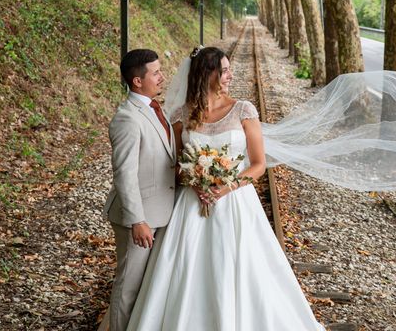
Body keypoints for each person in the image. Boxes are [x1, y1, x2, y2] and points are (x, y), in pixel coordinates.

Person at [126, 47, 326, 330]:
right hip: (191, 206)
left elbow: (258, 164)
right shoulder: (182, 115)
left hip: (235, 204)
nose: (230, 75)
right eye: (224, 70)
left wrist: (226, 187)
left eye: (230, 69)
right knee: (185, 272)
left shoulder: (243, 110)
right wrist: (194, 181)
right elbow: (178, 166)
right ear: (207, 73)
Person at [103, 49, 176, 331]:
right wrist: (138, 220)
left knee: (148, 285)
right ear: (137, 81)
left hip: (161, 211)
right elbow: (124, 173)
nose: (162, 77)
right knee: (129, 285)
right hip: (139, 217)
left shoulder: (155, 109)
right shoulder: (127, 119)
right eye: (156, 72)